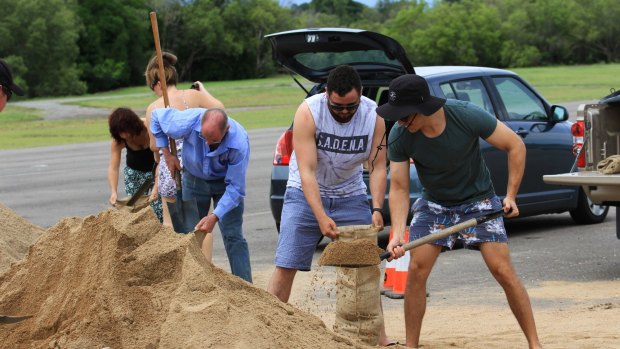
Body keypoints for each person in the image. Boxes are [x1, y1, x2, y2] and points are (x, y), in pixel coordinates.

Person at [378, 74, 541, 349]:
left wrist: (511, 195)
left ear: (423, 106)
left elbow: (515, 145)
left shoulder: (464, 115)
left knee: (502, 270)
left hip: (478, 201)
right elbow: (399, 188)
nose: (401, 121)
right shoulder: (400, 134)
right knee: (416, 269)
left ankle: (535, 344)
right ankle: (411, 346)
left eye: (405, 115)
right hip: (434, 206)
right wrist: (396, 234)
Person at [266, 65, 395, 346]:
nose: (345, 112)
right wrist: (321, 216)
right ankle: (267, 333)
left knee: (364, 268)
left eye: (351, 106)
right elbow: (307, 171)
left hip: (350, 193)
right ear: (327, 95)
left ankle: (379, 338)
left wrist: (376, 207)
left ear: (360, 97)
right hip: (305, 193)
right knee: (287, 263)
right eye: (338, 107)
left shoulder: (375, 116)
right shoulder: (308, 112)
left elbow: (377, 166)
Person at [150, 107, 253, 283]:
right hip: (194, 178)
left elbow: (235, 188)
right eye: (203, 138)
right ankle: (191, 284)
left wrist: (215, 216)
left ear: (226, 130)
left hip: (225, 185)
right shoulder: (186, 122)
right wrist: (166, 154)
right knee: (189, 233)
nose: (206, 144)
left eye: (213, 140)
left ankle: (245, 287)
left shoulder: (239, 143)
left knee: (233, 235)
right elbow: (156, 117)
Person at [144, 51, 224, 260]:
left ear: (156, 83)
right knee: (201, 221)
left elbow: (153, 145)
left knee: (170, 222)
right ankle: (206, 268)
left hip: (169, 169)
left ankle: (181, 269)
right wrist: (203, 90)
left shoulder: (152, 108)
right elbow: (220, 110)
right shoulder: (194, 96)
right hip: (196, 165)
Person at [107, 107, 163, 222]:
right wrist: (113, 191)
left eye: (127, 131)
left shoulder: (149, 128)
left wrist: (156, 188)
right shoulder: (118, 140)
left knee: (158, 208)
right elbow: (113, 168)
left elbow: (162, 158)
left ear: (134, 125)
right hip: (134, 173)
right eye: (121, 133)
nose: (126, 136)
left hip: (157, 170)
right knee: (133, 209)